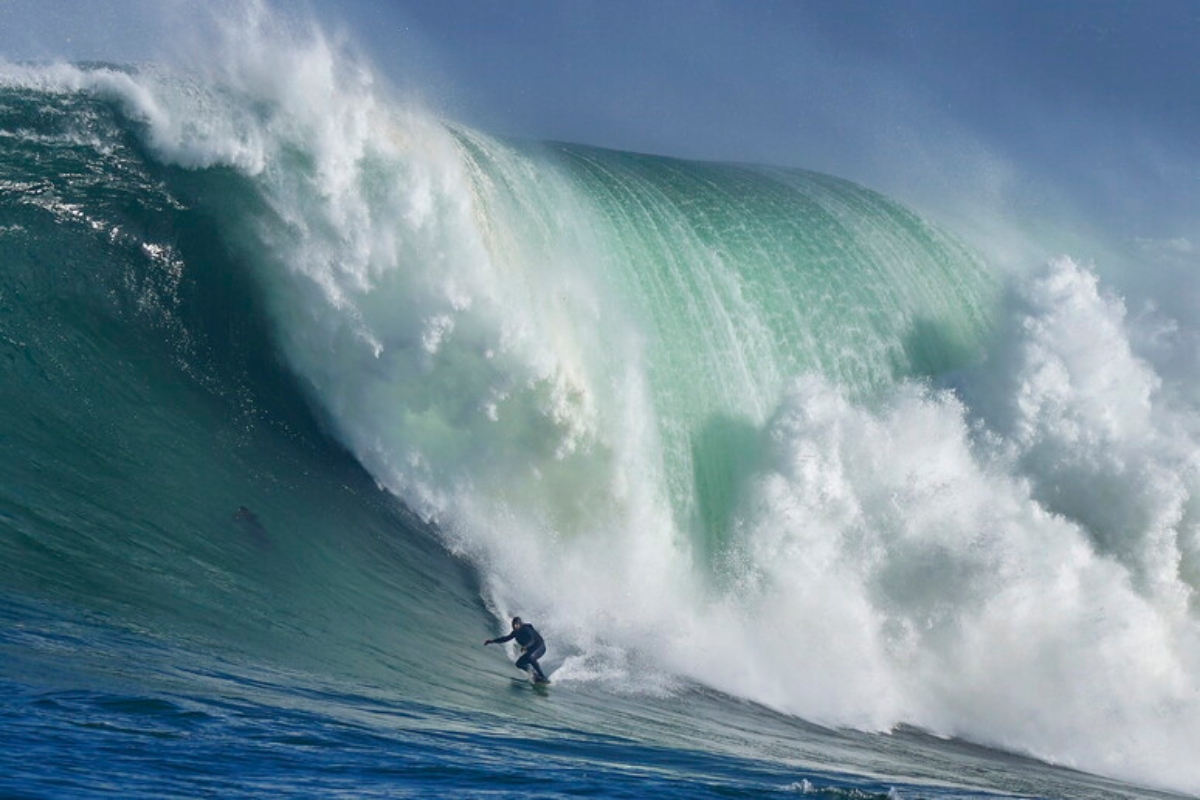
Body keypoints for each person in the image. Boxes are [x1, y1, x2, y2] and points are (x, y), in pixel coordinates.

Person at [485, 616, 549, 683]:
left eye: (516, 625)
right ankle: (535, 675)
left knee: (530, 657)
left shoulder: (527, 629)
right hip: (531, 650)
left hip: (540, 647)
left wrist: (526, 646)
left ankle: (543, 677)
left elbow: (532, 640)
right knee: (519, 664)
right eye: (513, 625)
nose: (514, 627)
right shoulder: (515, 633)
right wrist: (492, 641)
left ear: (520, 624)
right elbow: (506, 638)